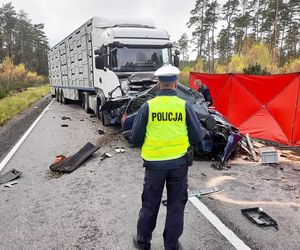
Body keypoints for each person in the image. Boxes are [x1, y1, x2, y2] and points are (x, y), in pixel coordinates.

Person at [130, 65, 204, 250]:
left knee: (149, 205)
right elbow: (197, 135)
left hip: (154, 166)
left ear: (158, 84)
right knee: (176, 206)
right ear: (176, 84)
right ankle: (171, 245)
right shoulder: (184, 106)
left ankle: (143, 242)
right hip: (179, 165)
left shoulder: (148, 106)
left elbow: (135, 137)